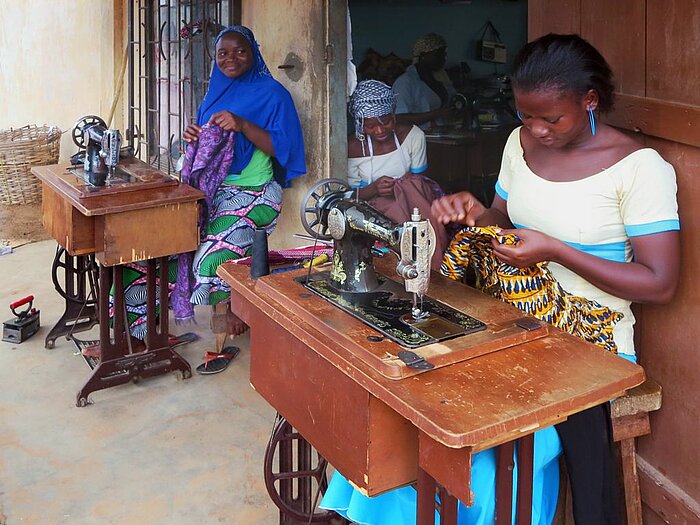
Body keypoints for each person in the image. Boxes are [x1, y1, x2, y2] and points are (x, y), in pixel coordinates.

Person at [431, 33, 680, 524]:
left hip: (592, 336)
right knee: (434, 420)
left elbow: (660, 282)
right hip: (514, 314)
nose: (537, 130)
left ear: (589, 101)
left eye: (551, 118)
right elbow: (501, 220)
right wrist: (475, 212)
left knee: (492, 456)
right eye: (526, 116)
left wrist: (556, 250)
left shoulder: (638, 168)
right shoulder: (517, 144)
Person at [108, 26, 306, 375]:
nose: (231, 58)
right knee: (145, 252)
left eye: (240, 51)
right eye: (223, 53)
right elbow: (203, 151)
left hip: (255, 194)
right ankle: (140, 336)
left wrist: (243, 125)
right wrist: (194, 137)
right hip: (210, 192)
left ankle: (225, 308)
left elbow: (285, 150)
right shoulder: (213, 94)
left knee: (208, 258)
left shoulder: (274, 95)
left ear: (254, 53)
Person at [347, 79, 449, 270]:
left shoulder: (413, 136)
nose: (379, 130)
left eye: (385, 122)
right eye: (370, 126)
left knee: (415, 194)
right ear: (360, 124)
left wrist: (402, 185)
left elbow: (420, 182)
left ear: (394, 115)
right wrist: (374, 188)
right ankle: (411, 265)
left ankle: (435, 268)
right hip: (372, 210)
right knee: (395, 210)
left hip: (414, 203)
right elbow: (349, 197)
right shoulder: (352, 147)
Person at [392, 33, 456, 129]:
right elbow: (399, 118)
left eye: (444, 55)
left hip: (441, 133)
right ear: (422, 55)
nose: (443, 59)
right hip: (417, 139)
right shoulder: (405, 82)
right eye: (438, 55)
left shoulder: (440, 79)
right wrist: (436, 114)